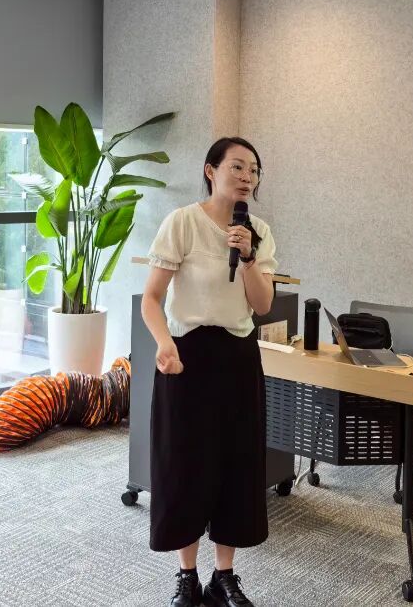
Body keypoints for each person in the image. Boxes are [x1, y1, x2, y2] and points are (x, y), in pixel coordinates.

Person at [142, 137, 278, 607]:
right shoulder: (182, 222)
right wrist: (165, 343)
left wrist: (249, 257)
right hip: (186, 357)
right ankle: (187, 576)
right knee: (185, 465)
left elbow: (262, 304)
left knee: (235, 464)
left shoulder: (258, 230)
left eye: (254, 170)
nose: (247, 177)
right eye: (237, 167)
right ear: (210, 170)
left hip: (238, 356)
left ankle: (224, 576)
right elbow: (151, 299)